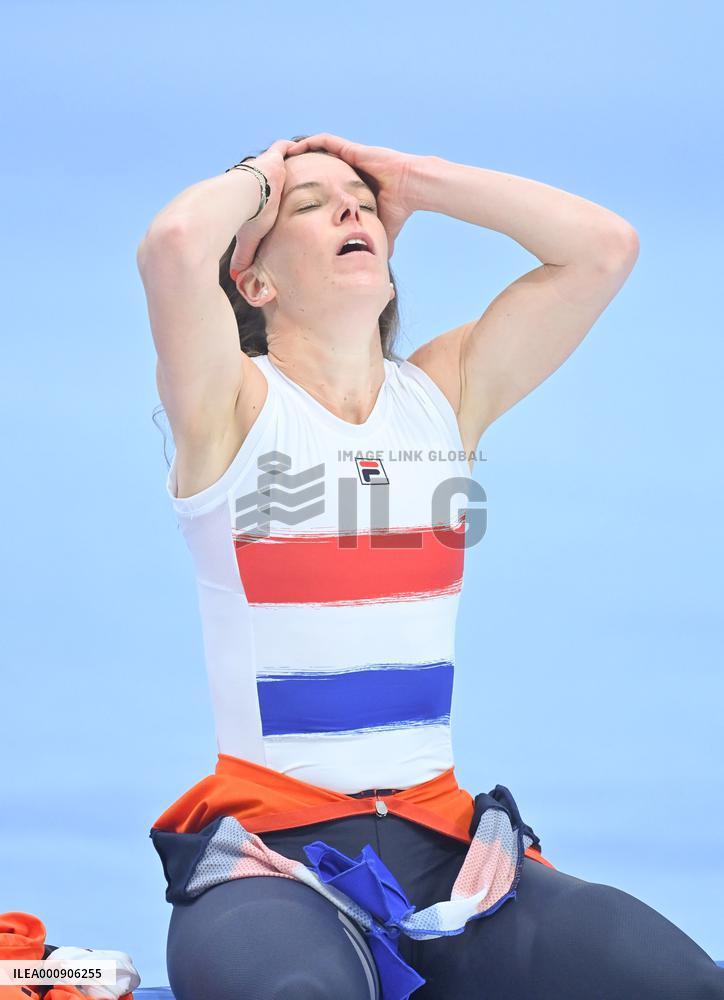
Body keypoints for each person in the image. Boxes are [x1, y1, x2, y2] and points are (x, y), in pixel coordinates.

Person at [137, 134, 724, 999]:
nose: (351, 209)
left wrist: (410, 179)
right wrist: (263, 173)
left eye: (363, 204)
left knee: (680, 984)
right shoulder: (230, 408)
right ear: (255, 281)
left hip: (444, 847)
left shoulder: (443, 398)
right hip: (270, 862)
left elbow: (603, 248)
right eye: (310, 206)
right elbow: (177, 245)